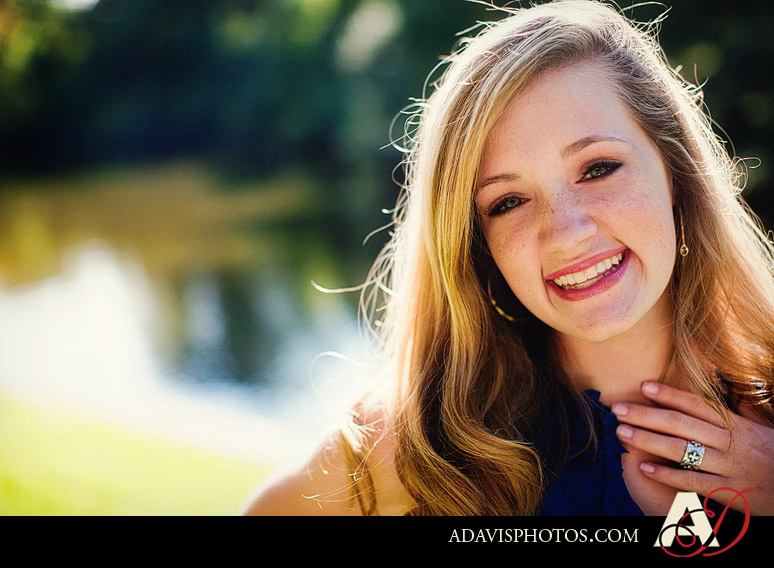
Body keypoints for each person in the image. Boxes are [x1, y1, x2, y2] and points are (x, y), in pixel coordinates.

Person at [242, 0, 774, 516]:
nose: (565, 233)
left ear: (675, 172)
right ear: (478, 245)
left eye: (598, 168)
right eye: (509, 202)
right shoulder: (424, 447)